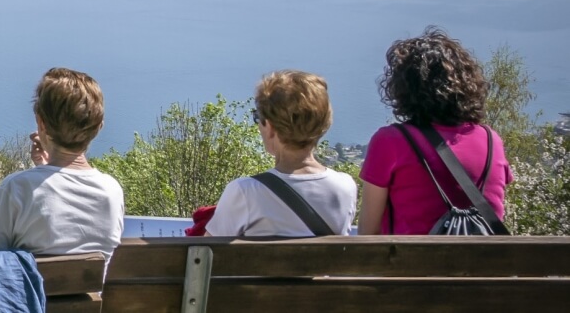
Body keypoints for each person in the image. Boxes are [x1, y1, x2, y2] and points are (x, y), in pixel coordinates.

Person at [358, 27, 510, 235]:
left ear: (404, 89)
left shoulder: (390, 141)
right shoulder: (492, 140)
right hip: (484, 265)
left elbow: (368, 233)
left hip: (413, 266)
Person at [0, 68, 125, 258]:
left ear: (41, 123)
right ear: (99, 126)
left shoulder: (17, 188)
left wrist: (44, 175)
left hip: (36, 289)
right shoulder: (111, 190)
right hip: (94, 288)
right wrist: (45, 170)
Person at [204, 70, 357, 237]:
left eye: (258, 117)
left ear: (270, 127)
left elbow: (204, 255)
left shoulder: (245, 192)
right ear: (324, 125)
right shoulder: (345, 187)